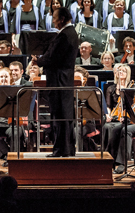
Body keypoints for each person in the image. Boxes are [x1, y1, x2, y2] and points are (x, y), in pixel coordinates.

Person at [32, 8, 79, 157]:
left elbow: (53, 58)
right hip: (64, 81)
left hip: (59, 81)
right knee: (64, 117)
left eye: (55, 18)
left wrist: (38, 61)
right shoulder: (69, 33)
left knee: (60, 117)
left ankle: (60, 150)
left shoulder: (65, 35)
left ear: (62, 19)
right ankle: (68, 149)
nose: (53, 21)